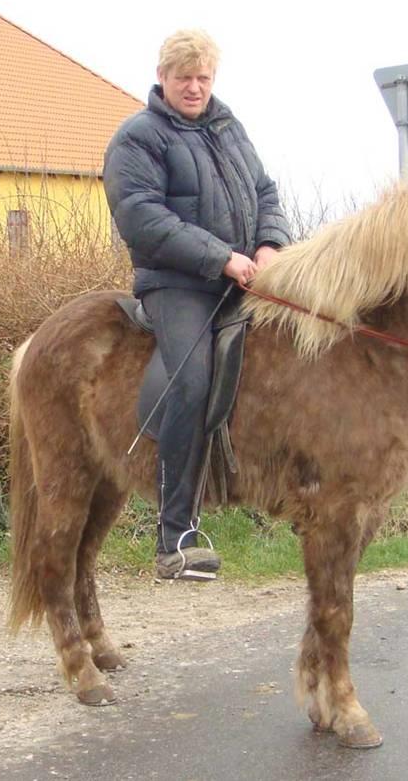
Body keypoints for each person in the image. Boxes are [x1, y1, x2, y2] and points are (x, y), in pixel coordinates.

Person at [103, 29, 292, 580]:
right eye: (184, 77)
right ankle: (176, 534)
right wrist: (221, 257)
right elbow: (143, 218)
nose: (194, 87)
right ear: (163, 77)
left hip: (243, 274)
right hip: (177, 284)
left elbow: (265, 192)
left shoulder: (228, 129)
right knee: (191, 375)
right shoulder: (137, 139)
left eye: (203, 78)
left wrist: (269, 245)